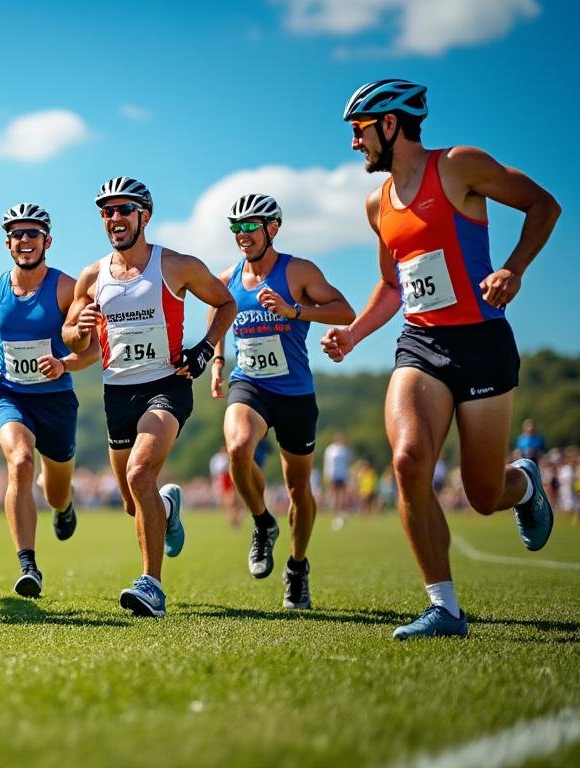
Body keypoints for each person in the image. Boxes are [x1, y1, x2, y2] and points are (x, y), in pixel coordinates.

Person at [322, 79, 561, 639]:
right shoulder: (376, 204)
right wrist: (354, 334)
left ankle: (522, 485)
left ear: (389, 124)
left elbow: (543, 205)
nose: (355, 144)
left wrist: (514, 268)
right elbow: (391, 287)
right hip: (420, 344)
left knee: (483, 495)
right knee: (407, 460)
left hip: (481, 343)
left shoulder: (458, 166)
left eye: (359, 131)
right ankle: (444, 607)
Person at [63, 177, 236, 617]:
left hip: (167, 384)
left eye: (124, 209)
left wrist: (205, 348)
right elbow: (71, 336)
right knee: (131, 499)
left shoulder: (176, 265)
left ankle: (152, 586)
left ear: (145, 215)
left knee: (140, 474)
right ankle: (167, 506)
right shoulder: (92, 275)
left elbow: (226, 302)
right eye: (107, 212)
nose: (115, 218)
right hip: (117, 392)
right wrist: (77, 326)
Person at [209, 193, 355, 610]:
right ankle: (261, 522)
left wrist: (295, 311)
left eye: (249, 226)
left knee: (298, 488)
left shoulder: (298, 271)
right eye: (235, 227)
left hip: (294, 392)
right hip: (249, 385)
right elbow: (217, 314)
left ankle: (297, 566)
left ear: (272, 228)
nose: (242, 235)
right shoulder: (229, 279)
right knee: (238, 448)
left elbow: (344, 311)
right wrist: (218, 358)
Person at [0, 202, 98, 597]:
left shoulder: (66, 287)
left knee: (56, 490)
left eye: (33, 234)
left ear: (47, 240)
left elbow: (93, 350)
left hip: (56, 401)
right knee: (21, 462)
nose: (25, 241)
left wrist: (64, 365)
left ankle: (64, 506)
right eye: (17, 234)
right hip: (11, 395)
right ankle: (28, 565)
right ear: (7, 242)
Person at [323, 433, 352, 514]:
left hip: (343, 474)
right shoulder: (330, 449)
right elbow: (327, 463)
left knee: (342, 494)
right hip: (333, 474)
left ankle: (342, 510)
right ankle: (334, 510)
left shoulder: (345, 449)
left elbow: (349, 460)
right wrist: (326, 474)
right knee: (334, 493)